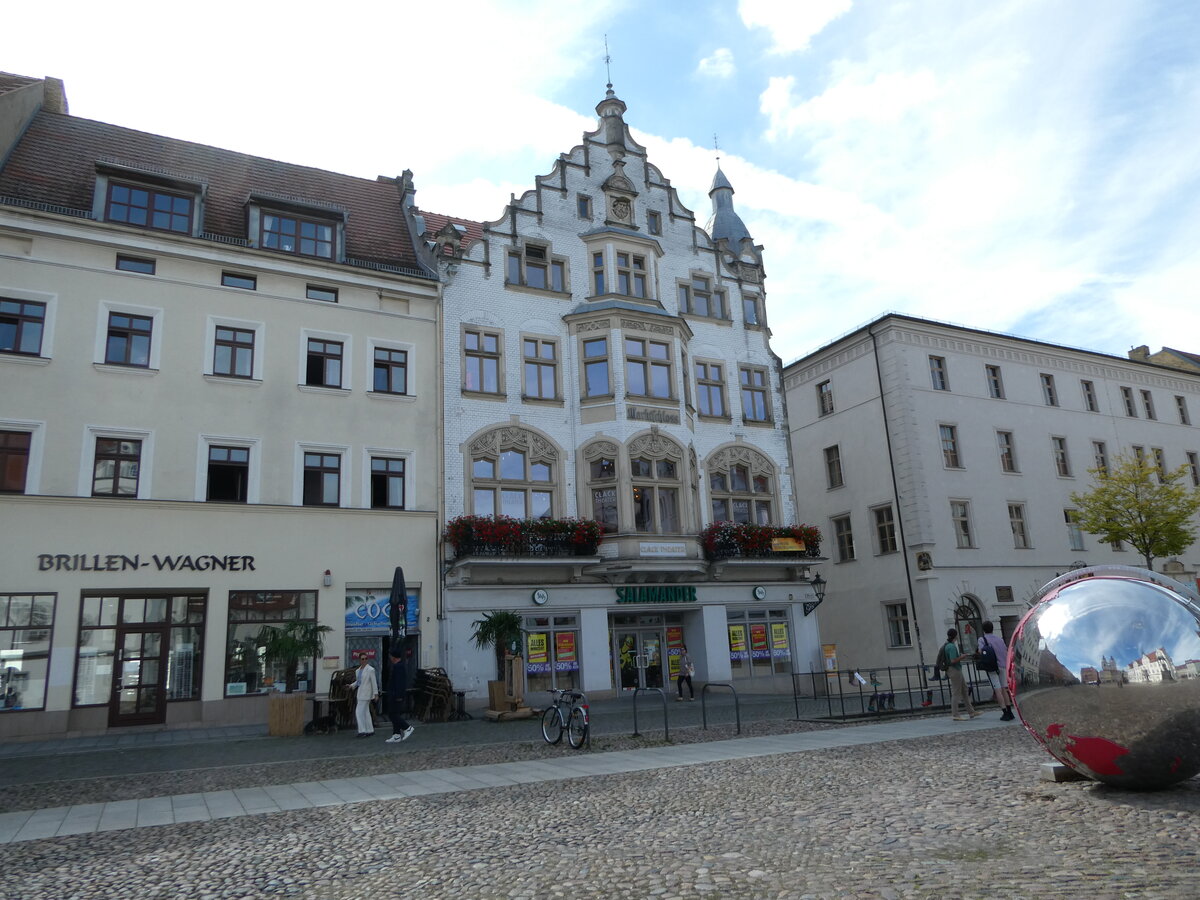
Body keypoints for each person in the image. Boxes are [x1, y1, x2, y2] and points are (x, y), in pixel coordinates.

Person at [978, 620, 1014, 720]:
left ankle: (1004, 712)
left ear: (983, 629)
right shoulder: (1000, 639)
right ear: (992, 628)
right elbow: (1005, 651)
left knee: (997, 690)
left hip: (992, 667)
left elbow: (981, 652)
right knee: (1004, 689)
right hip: (1003, 665)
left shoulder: (982, 639)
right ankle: (1010, 711)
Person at [943, 627, 978, 721]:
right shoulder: (951, 647)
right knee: (956, 692)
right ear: (955, 636)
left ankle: (971, 711)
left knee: (964, 690)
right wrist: (962, 657)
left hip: (955, 669)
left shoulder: (948, 645)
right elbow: (953, 660)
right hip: (955, 670)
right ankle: (955, 714)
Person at [385, 646, 415, 743]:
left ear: (394, 657)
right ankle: (396, 735)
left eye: (391, 656)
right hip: (395, 694)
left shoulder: (399, 667)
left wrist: (398, 696)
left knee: (392, 714)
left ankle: (407, 727)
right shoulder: (399, 666)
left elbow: (399, 683)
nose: (390, 658)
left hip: (396, 695)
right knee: (395, 714)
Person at [351, 653, 379, 738]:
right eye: (362, 659)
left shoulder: (370, 669)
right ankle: (369, 730)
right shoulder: (358, 670)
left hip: (366, 693)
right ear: (359, 660)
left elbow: (374, 682)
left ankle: (362, 731)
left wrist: (376, 694)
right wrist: (351, 685)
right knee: (366, 712)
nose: (364, 660)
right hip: (360, 693)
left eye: (366, 658)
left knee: (359, 712)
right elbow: (358, 682)